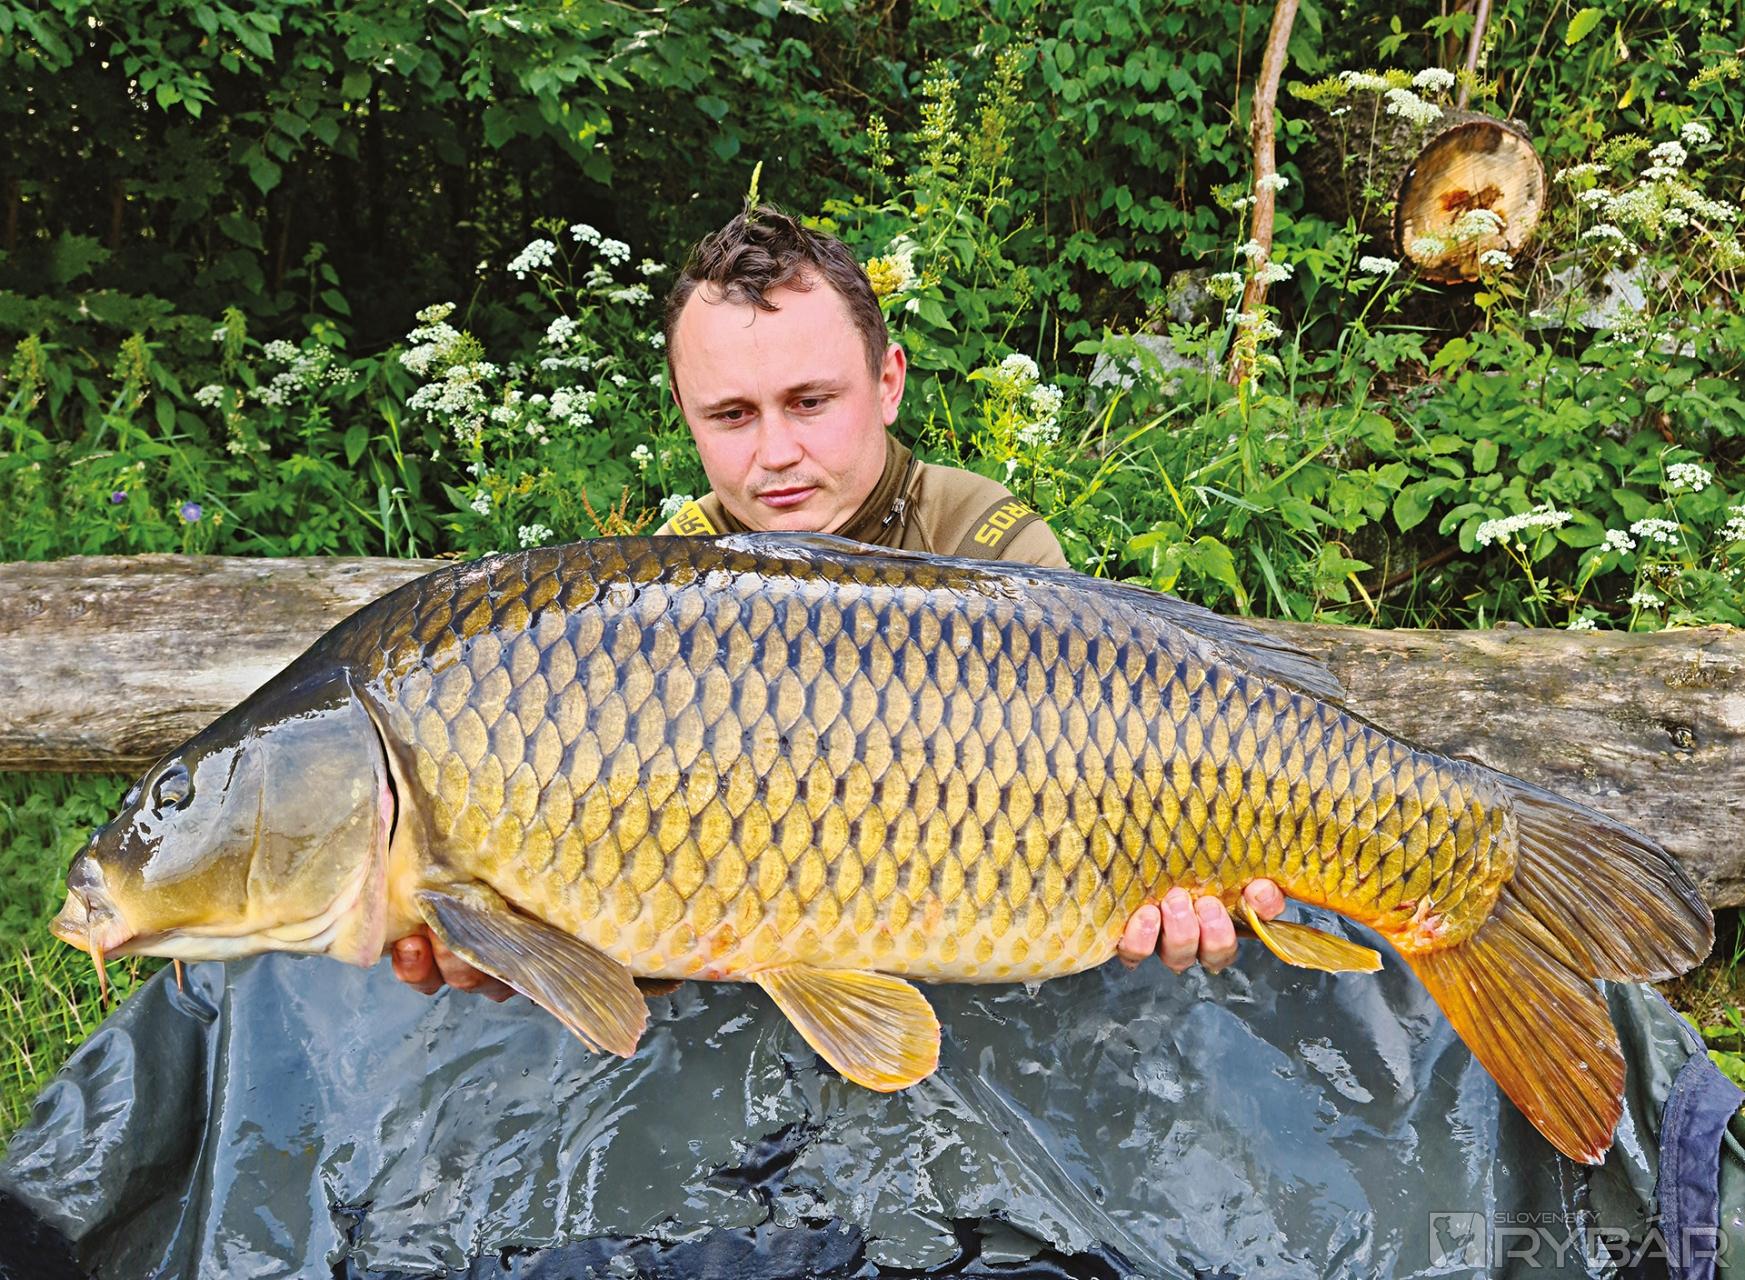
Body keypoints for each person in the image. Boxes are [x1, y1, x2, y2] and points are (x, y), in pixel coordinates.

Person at [386, 205, 1288, 1005]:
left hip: (989, 980)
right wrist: (521, 946)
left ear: (887, 381)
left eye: (810, 402)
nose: (775, 451)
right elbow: (657, 880)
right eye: (731, 416)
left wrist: (1189, 889)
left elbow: (1125, 779)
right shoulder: (663, 594)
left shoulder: (987, 545)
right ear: (686, 414)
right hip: (773, 984)